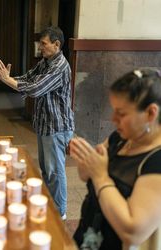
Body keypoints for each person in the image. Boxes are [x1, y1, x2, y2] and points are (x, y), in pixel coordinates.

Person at [70, 68, 161, 249]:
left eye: (121, 113)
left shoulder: (156, 160)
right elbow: (85, 176)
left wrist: (101, 176)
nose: (113, 119)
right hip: (88, 236)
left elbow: (132, 232)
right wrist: (87, 160)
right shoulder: (120, 137)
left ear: (151, 113)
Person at [0, 26, 74, 219]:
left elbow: (36, 88)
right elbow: (28, 78)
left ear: (56, 44)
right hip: (46, 124)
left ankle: (60, 213)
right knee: (47, 169)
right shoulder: (45, 62)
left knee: (55, 171)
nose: (40, 48)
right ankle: (51, 205)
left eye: (44, 44)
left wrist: (8, 80)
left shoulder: (59, 66)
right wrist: (8, 79)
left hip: (57, 126)